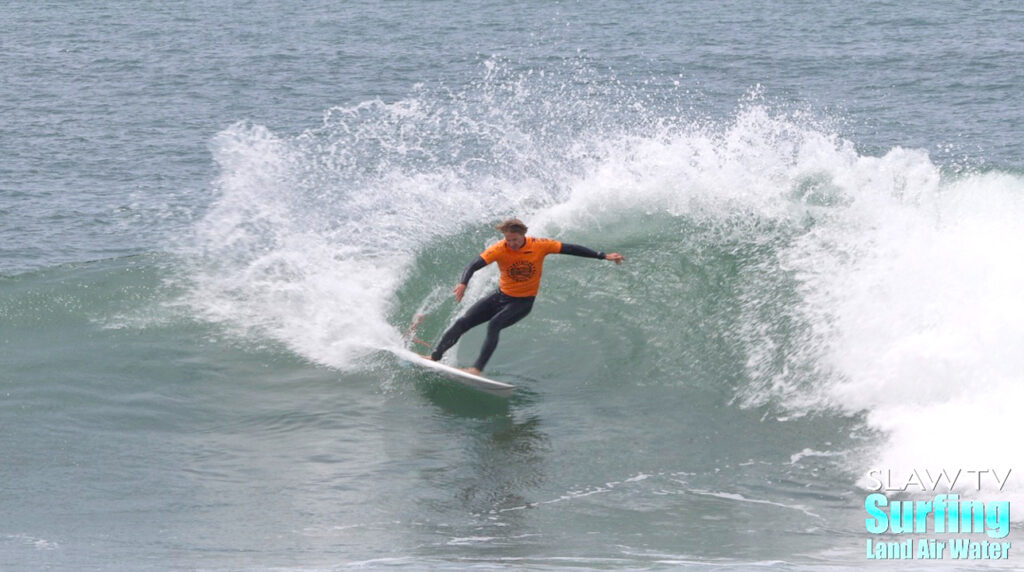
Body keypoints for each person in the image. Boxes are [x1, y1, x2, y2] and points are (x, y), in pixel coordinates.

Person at [425, 218, 624, 374]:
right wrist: (463, 283)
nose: (510, 243)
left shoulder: (540, 245)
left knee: (494, 325)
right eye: (507, 239)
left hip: (522, 302)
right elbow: (473, 265)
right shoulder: (499, 249)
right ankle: (434, 357)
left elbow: (571, 249)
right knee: (463, 322)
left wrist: (602, 256)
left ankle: (476, 369)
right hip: (500, 296)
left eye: (514, 239)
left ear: (523, 235)